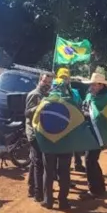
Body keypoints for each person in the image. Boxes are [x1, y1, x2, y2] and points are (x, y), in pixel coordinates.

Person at [82, 71, 107, 198]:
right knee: (91, 161)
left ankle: (95, 190)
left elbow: (98, 113)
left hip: (98, 133)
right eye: (92, 84)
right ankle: (99, 188)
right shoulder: (91, 94)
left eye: (94, 85)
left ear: (101, 85)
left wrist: (86, 113)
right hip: (89, 132)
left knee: (90, 160)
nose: (92, 86)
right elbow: (86, 106)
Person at [25, 72, 52, 202]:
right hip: (34, 133)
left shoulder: (47, 95)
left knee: (35, 161)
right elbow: (27, 113)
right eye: (45, 81)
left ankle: (31, 187)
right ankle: (38, 193)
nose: (47, 84)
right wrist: (40, 105)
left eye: (49, 82)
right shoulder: (34, 94)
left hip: (43, 132)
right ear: (40, 81)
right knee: (39, 163)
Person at [55, 67, 87, 173]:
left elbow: (79, 105)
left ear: (69, 79)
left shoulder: (74, 92)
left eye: (66, 78)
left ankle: (77, 164)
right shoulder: (53, 92)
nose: (64, 80)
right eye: (61, 78)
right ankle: (62, 174)